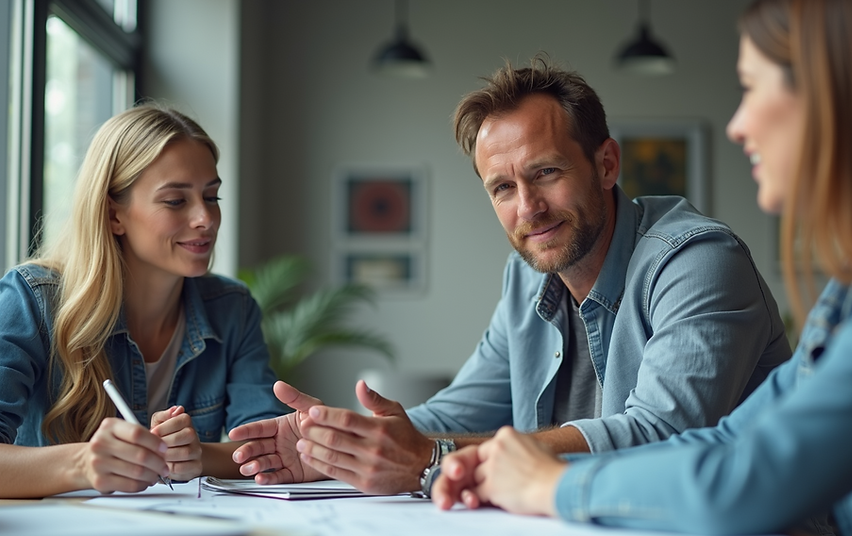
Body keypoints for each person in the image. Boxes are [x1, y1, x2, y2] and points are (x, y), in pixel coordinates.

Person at [432, 0, 852, 536]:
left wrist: (552, 483)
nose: (738, 125)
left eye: (752, 87)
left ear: (840, 95)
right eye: (503, 188)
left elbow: (748, 479)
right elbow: (727, 442)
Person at [229, 56, 792, 497]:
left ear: (606, 164)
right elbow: (454, 414)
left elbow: (660, 438)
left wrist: (433, 459)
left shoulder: (696, 262)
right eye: (503, 188)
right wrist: (337, 443)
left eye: (545, 173)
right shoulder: (528, 280)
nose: (529, 208)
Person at [0, 105, 285, 498]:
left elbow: (270, 447)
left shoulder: (232, 309)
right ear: (114, 214)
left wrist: (197, 455)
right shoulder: (31, 300)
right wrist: (84, 463)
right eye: (175, 201)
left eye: (212, 196)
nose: (206, 218)